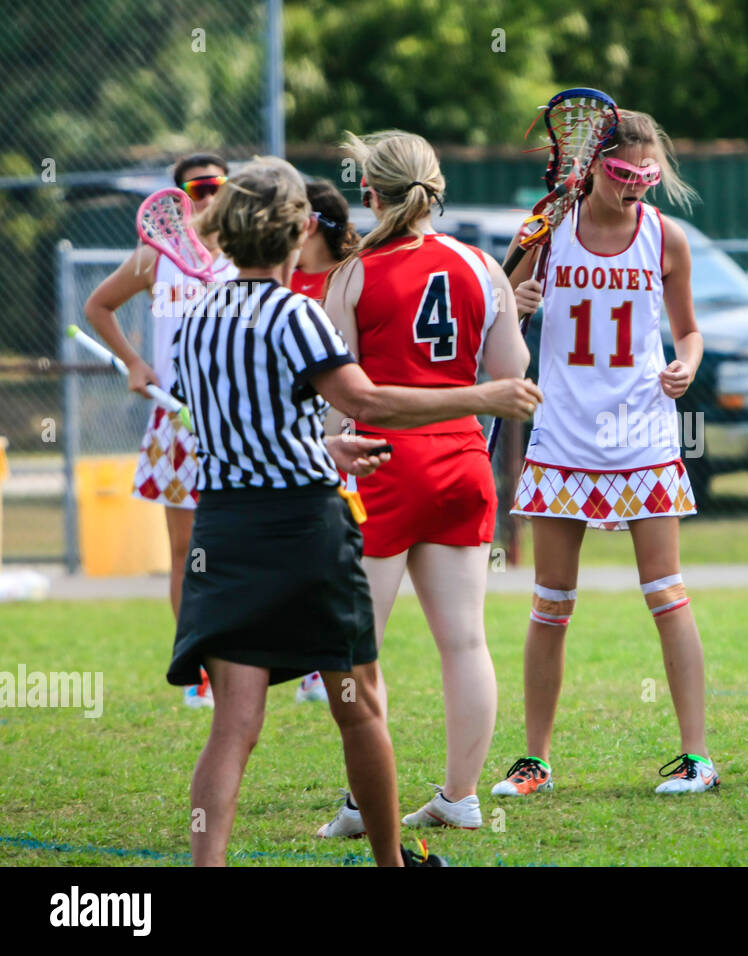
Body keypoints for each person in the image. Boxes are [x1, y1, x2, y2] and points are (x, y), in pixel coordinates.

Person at [164, 156, 541, 866]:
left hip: (224, 533)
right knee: (357, 704)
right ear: (301, 229)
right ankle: (393, 864)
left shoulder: (193, 319)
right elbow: (366, 399)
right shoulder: (299, 314)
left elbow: (238, 424)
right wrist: (482, 397)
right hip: (304, 530)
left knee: (233, 725)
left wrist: (326, 447)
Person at [490, 110, 720, 798]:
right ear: (591, 168)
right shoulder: (548, 233)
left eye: (648, 176)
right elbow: (495, 329)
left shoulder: (664, 238)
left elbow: (690, 333)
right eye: (623, 174)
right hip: (563, 435)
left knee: (667, 593)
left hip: (643, 436)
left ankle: (697, 756)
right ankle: (535, 759)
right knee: (551, 601)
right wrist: (518, 303)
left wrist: (686, 364)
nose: (636, 187)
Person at [313, 130, 530, 837]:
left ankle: (359, 803)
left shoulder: (354, 274)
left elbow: (336, 394)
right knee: (465, 641)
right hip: (463, 461)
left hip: (381, 464)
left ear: (368, 194)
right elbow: (510, 370)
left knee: (359, 647)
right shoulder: (477, 265)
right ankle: (460, 796)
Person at [85, 152, 238, 709]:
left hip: (236, 421)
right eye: (195, 190)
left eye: (217, 187)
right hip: (177, 419)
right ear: (173, 202)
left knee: (238, 548)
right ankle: (194, 664)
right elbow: (98, 306)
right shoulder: (156, 257)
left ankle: (245, 660)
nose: (206, 198)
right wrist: (133, 362)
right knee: (185, 552)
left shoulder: (247, 255)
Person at [289, 179, 361, 705]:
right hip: (291, 436)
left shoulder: (350, 276)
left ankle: (328, 663)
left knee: (333, 551)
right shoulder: (279, 279)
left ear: (310, 222)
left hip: (340, 434)